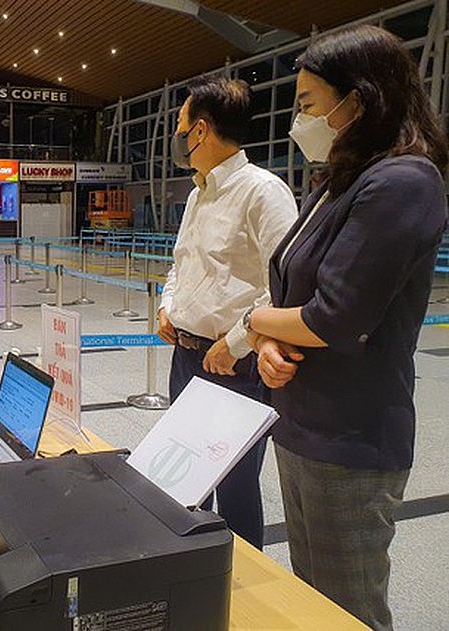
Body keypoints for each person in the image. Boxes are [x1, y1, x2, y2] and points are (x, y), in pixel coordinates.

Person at [245, 25, 447, 631]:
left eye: (307, 104)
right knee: (312, 604)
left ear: (356, 101)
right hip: (300, 419)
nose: (297, 120)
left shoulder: (404, 182)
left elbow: (336, 317)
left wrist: (253, 320)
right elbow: (293, 288)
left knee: (348, 611)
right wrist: (269, 341)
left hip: (352, 438)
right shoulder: (338, 181)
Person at [157, 77, 297, 549]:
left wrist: (234, 344)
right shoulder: (198, 193)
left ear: (200, 131)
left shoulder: (263, 192)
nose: (177, 139)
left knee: (236, 488)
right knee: (187, 480)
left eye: (180, 128)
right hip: (187, 357)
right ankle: (195, 575)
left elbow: (283, 285)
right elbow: (182, 263)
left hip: (236, 365)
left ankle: (241, 595)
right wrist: (167, 307)